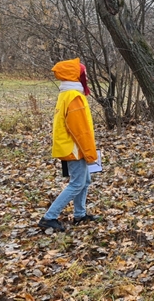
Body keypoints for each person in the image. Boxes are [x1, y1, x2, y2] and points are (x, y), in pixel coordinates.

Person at [38, 57, 99, 232]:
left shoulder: (66, 94)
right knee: (77, 183)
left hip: (69, 146)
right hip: (75, 148)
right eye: (83, 73)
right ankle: (49, 217)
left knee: (84, 180)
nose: (85, 76)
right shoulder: (74, 97)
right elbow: (81, 131)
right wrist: (90, 154)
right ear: (76, 76)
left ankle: (80, 215)